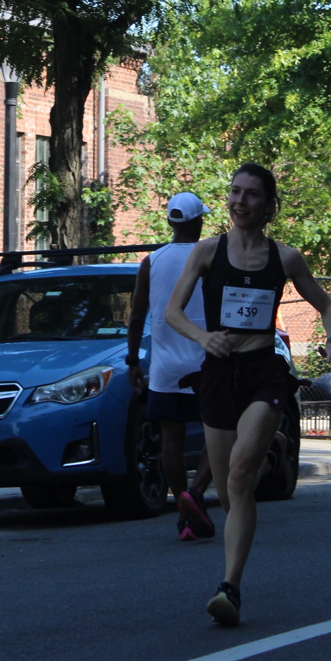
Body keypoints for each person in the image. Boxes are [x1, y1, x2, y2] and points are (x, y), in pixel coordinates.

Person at [164, 163, 331, 626]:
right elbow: (172, 312)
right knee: (229, 491)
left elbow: (326, 306)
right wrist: (204, 338)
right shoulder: (206, 251)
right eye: (235, 192)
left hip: (264, 370)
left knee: (241, 475)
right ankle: (270, 450)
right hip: (219, 373)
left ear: (268, 205)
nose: (240, 201)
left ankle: (230, 588)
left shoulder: (285, 258)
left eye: (251, 194)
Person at [126, 191, 215, 542]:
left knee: (170, 440)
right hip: (208, 360)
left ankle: (184, 508)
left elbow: (136, 316)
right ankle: (196, 494)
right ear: (198, 221)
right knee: (221, 432)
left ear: (170, 221)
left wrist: (133, 360)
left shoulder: (152, 261)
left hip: (166, 368)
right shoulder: (210, 255)